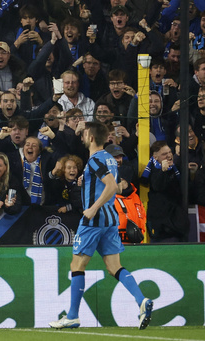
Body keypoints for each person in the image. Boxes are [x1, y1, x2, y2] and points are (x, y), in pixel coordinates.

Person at [49, 122, 153, 330]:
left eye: (85, 134)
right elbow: (107, 183)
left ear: (91, 138)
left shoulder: (96, 159)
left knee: (77, 266)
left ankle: (72, 316)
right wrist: (85, 182)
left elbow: (112, 186)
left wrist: (93, 208)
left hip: (94, 219)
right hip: (110, 219)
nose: (83, 137)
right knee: (114, 267)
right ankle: (141, 300)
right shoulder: (108, 158)